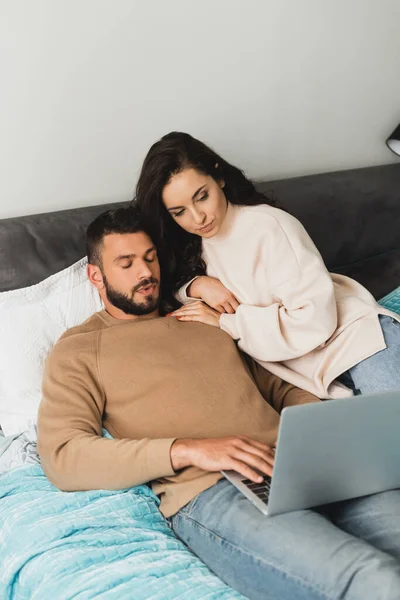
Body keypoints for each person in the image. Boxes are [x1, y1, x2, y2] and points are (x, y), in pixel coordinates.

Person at [37, 207, 400, 600]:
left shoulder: (204, 320)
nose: (145, 273)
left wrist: (316, 428)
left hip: (304, 464)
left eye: (150, 257)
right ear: (96, 275)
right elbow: (63, 455)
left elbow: (278, 386)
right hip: (215, 490)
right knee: (371, 577)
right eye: (125, 264)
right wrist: (187, 450)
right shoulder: (79, 349)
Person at [135, 132, 400, 399]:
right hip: (319, 375)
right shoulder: (194, 246)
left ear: (220, 177)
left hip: (360, 346)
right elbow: (166, 295)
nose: (197, 217)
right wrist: (197, 286)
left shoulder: (268, 227)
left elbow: (315, 320)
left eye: (202, 196)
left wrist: (229, 323)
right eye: (179, 212)